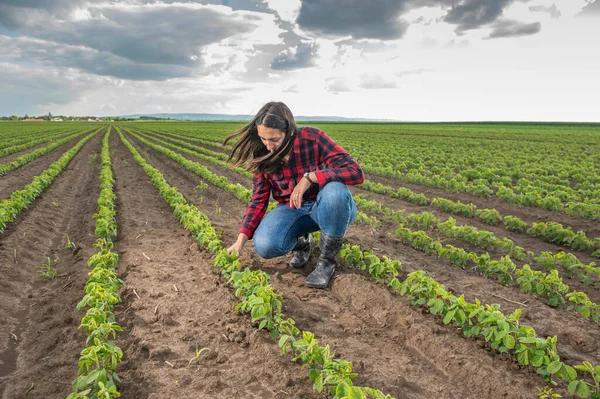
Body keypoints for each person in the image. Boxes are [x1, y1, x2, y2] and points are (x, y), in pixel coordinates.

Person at [225, 101, 364, 289]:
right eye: (263, 139)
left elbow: (355, 172)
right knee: (265, 245)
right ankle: (303, 243)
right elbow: (258, 200)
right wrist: (240, 241)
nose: (269, 146)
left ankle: (326, 262)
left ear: (289, 132)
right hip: (293, 211)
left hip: (327, 208)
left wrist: (310, 178)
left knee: (335, 191)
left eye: (274, 139)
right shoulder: (262, 153)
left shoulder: (312, 138)